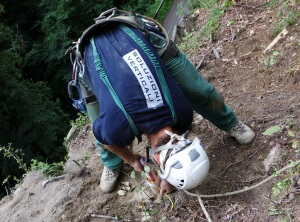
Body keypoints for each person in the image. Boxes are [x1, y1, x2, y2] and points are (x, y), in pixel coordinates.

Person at [71, 9, 255, 193]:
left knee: (199, 91)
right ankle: (112, 163)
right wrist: (133, 160)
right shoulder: (118, 127)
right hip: (94, 52)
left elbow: (166, 145)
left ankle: (230, 124)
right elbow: (107, 141)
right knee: (102, 135)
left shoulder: (182, 113)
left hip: (128, 41)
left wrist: (165, 171)